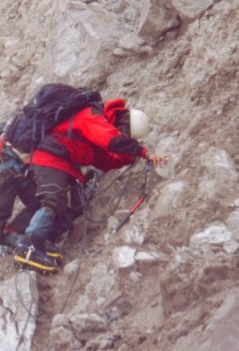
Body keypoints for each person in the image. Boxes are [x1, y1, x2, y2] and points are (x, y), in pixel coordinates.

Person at [14, 97, 168, 272]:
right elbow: (113, 140)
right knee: (53, 200)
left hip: (65, 164)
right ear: (123, 121)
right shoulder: (92, 116)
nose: (124, 135)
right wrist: (143, 153)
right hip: (49, 158)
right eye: (126, 132)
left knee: (74, 208)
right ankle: (30, 244)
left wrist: (130, 157)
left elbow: (104, 161)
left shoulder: (97, 133)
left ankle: (45, 240)